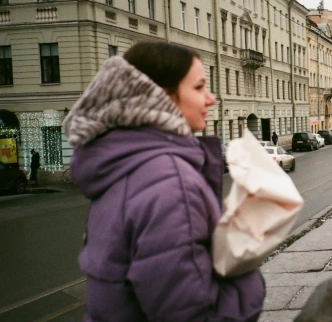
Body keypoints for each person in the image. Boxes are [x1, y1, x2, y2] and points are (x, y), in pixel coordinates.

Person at [63, 42, 265, 321]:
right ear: (160, 96)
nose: (211, 98)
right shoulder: (170, 182)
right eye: (198, 87)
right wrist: (245, 268)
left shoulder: (126, 166)